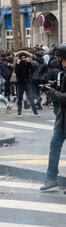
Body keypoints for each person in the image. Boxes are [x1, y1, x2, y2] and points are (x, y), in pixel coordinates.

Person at [42, 44, 66, 193]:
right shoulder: (64, 73)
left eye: (60, 58)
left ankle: (51, 178)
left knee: (55, 145)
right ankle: (51, 178)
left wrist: (52, 93)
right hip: (62, 117)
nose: (58, 61)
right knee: (54, 145)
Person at [14, 52, 39, 117]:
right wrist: (17, 63)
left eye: (25, 57)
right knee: (20, 98)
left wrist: (29, 62)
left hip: (27, 82)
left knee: (31, 97)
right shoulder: (18, 63)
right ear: (20, 58)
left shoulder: (27, 63)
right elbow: (16, 71)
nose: (23, 59)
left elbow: (33, 69)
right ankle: (19, 113)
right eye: (22, 57)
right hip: (20, 83)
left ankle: (35, 112)